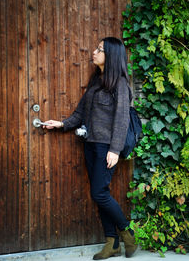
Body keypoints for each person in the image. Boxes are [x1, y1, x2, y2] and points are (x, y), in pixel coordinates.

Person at [43, 37, 137, 259]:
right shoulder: (96, 82)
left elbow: (122, 119)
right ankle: (112, 243)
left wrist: (114, 150)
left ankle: (126, 231)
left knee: (99, 193)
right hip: (91, 145)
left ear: (111, 55)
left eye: (100, 50)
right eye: (96, 48)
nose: (94, 52)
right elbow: (80, 113)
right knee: (100, 193)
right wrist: (62, 123)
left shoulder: (120, 84)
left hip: (107, 148)